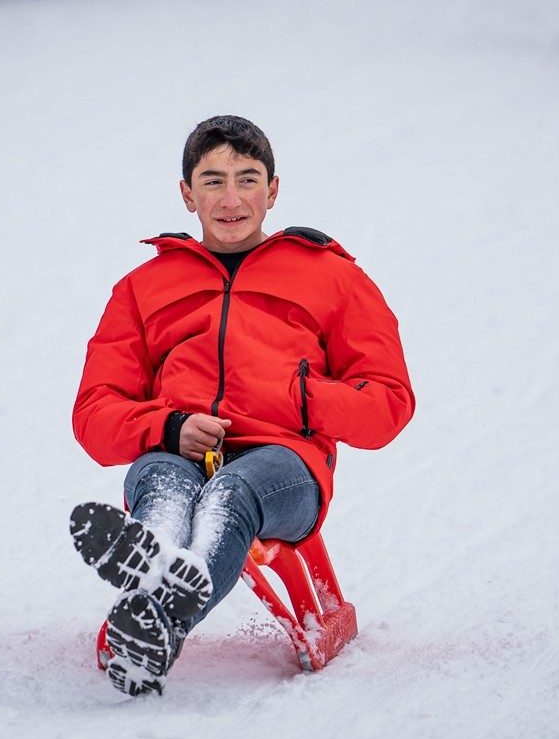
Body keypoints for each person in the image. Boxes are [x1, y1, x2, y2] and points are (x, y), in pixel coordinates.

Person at [69, 115, 415, 696]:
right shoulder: (142, 288)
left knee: (231, 495)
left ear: (273, 189)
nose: (231, 199)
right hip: (179, 450)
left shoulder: (333, 278)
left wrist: (298, 398)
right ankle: (153, 561)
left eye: (247, 179)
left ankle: (158, 612)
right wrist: (169, 425)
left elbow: (388, 403)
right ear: (187, 194)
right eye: (212, 181)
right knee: (164, 485)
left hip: (285, 464)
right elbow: (94, 413)